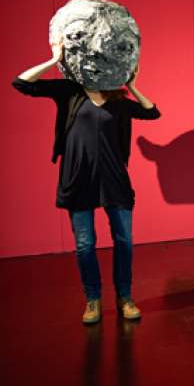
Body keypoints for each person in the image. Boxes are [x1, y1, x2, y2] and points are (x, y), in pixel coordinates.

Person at [13, 41, 160, 324]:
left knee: (124, 241)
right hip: (79, 178)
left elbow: (152, 112)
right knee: (84, 245)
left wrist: (131, 85)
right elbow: (21, 83)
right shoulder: (69, 92)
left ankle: (125, 298)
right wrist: (54, 59)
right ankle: (93, 300)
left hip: (113, 180)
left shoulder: (118, 101)